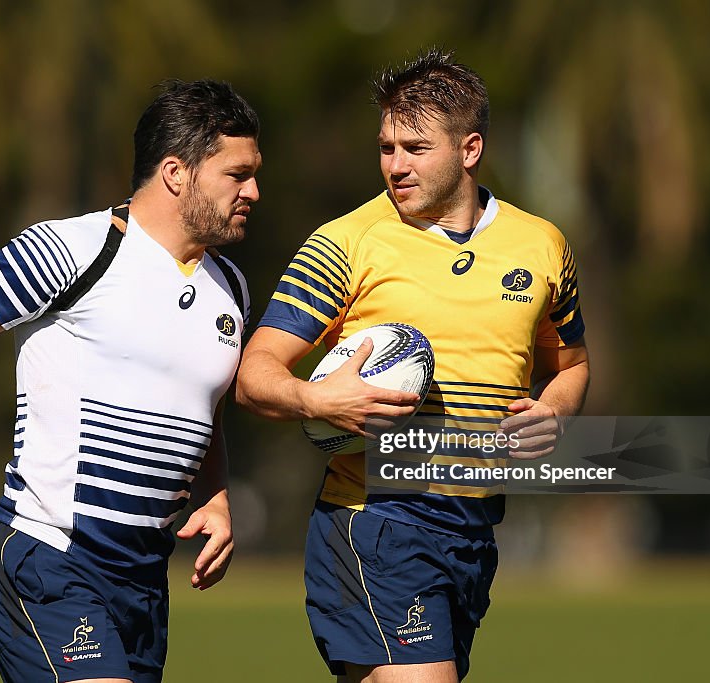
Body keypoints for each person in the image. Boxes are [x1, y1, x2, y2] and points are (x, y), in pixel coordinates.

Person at [0, 79, 262, 683]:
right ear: (175, 172)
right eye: (236, 175)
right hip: (50, 558)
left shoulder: (232, 289)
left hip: (142, 581)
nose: (254, 192)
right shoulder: (76, 249)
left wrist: (215, 495)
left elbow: (204, 405)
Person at [236, 49, 589, 683]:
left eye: (415, 148)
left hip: (475, 527)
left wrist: (554, 412)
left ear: (469, 149)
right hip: (375, 519)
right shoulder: (346, 241)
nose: (395, 166)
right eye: (386, 147)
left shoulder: (541, 245)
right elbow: (256, 371)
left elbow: (571, 364)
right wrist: (318, 401)